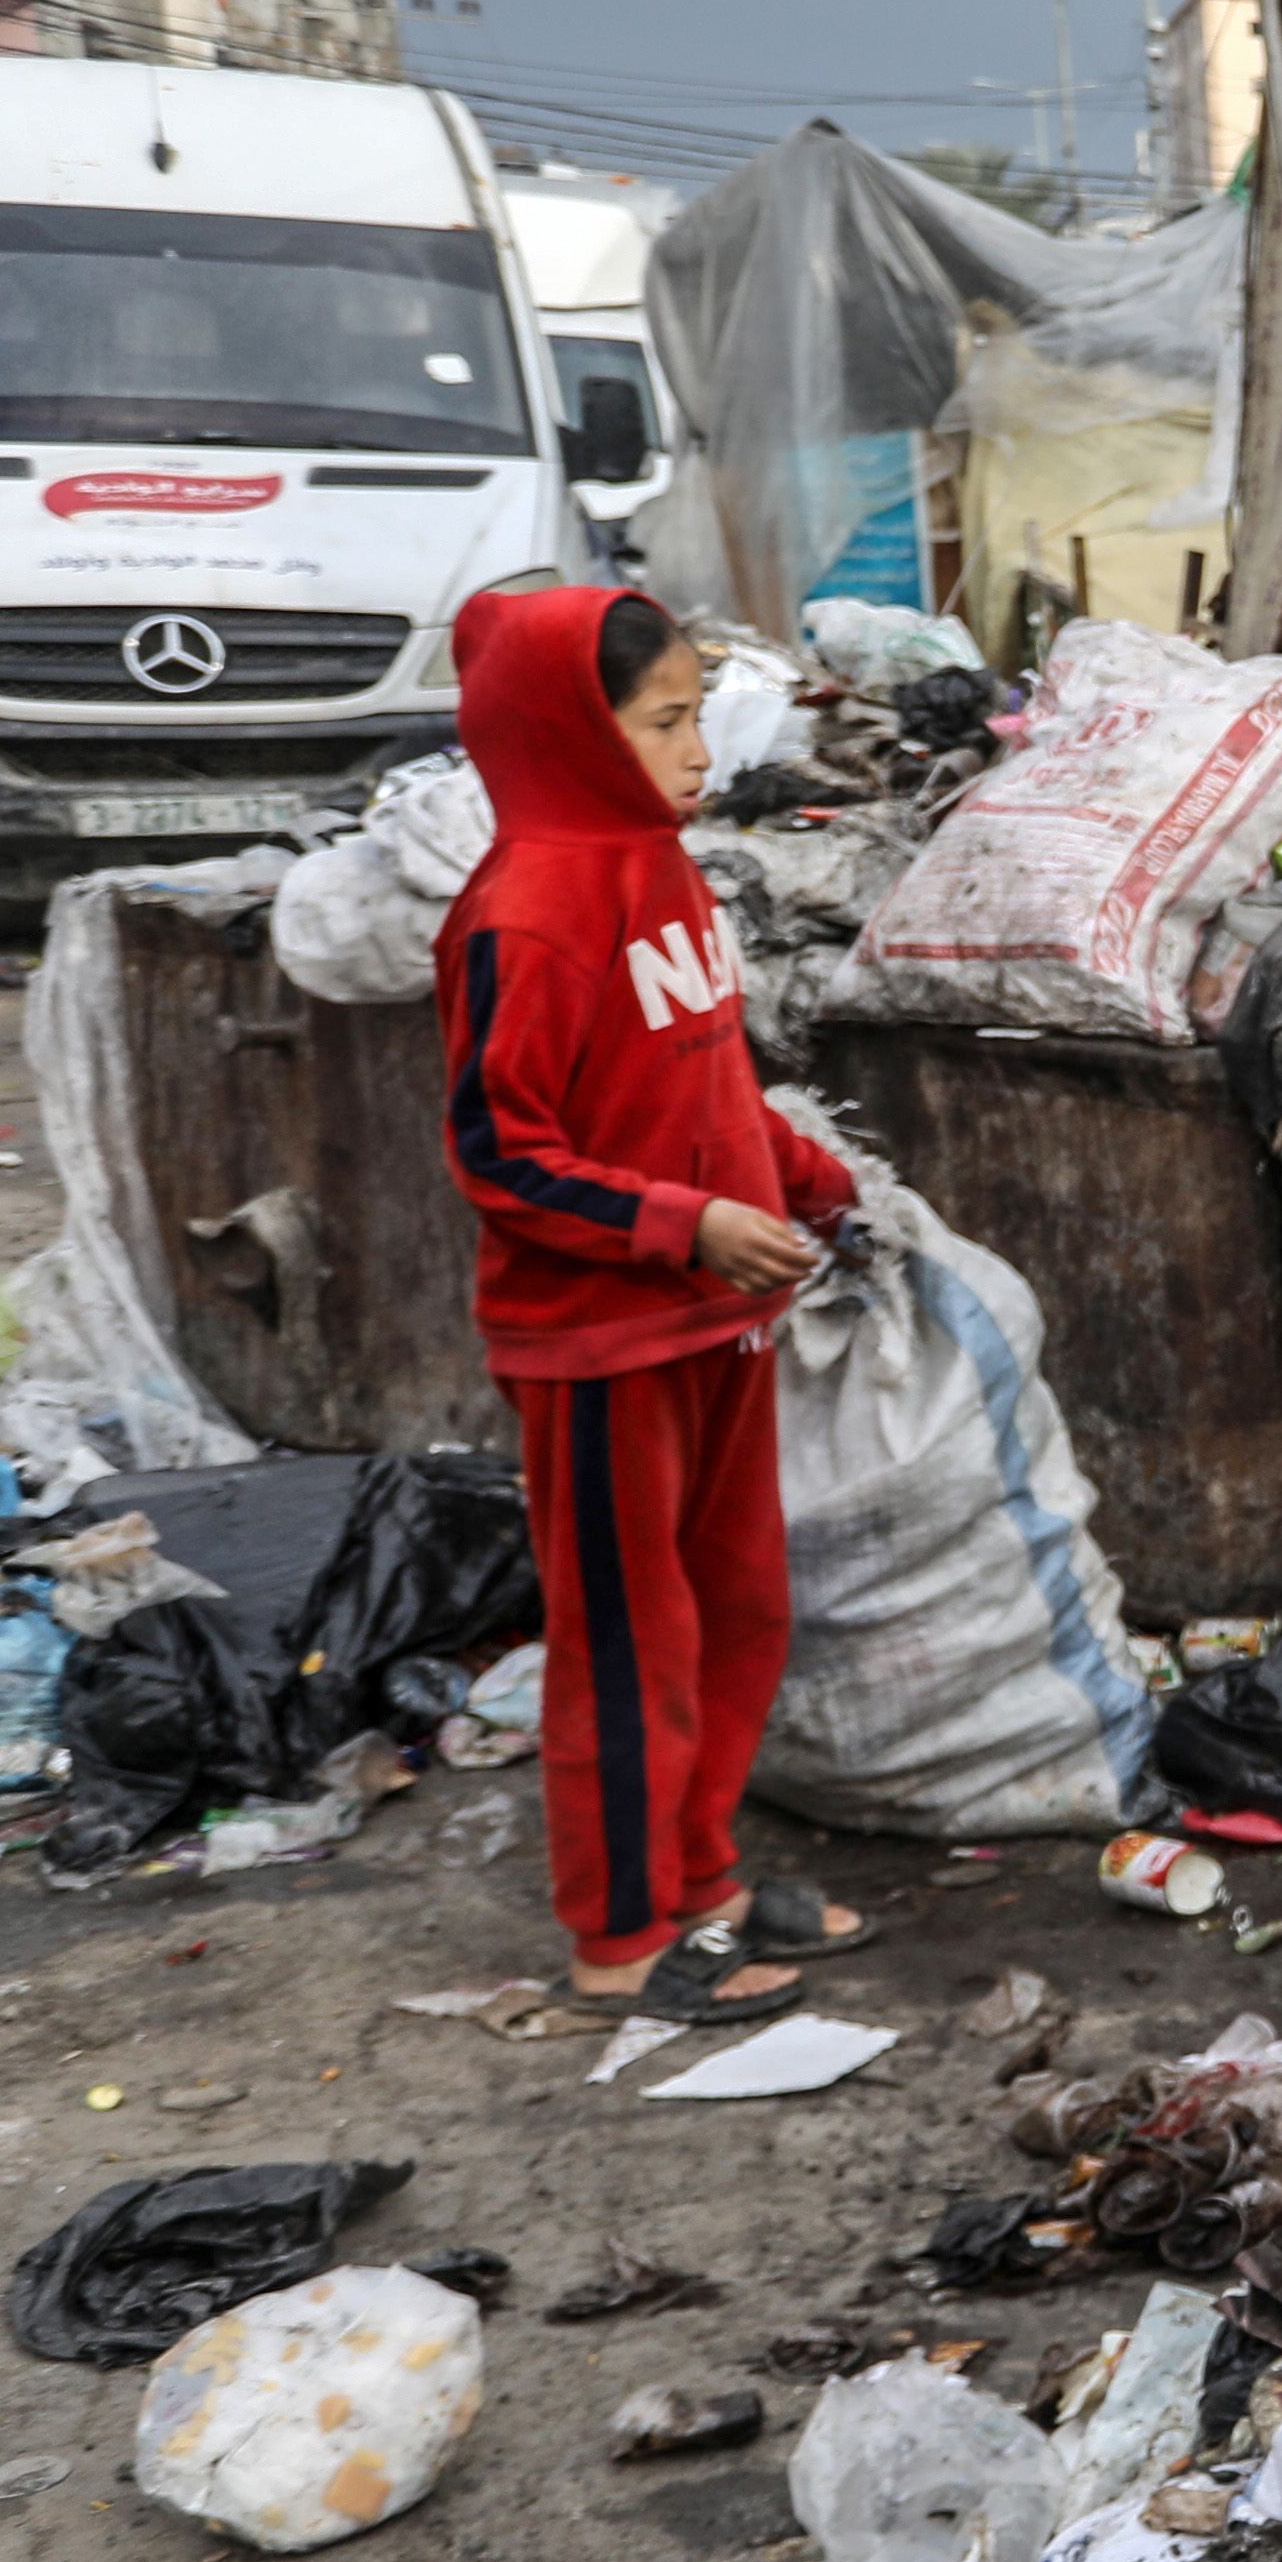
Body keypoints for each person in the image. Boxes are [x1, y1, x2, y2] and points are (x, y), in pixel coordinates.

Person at [436, 582, 867, 2014]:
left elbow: (700, 1074)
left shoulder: (665, 868)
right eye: (665, 722)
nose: (698, 751)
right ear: (568, 728)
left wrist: (805, 1174)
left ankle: (702, 1879)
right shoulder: (527, 910)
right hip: (603, 1340)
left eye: (697, 717)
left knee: (738, 1606)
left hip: (712, 1315)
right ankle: (620, 1938)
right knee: (633, 1640)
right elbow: (504, 1154)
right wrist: (687, 1226)